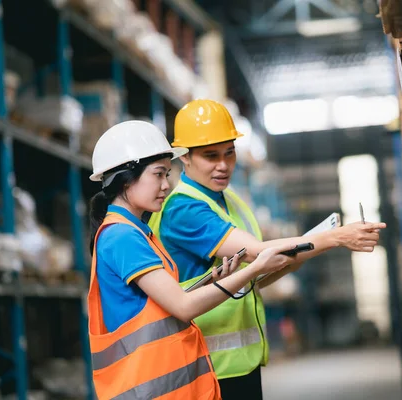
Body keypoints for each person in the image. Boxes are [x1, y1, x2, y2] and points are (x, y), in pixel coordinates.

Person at [149, 99, 387, 399]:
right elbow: (256, 252)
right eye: (211, 156)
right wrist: (336, 238)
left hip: (239, 364)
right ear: (185, 158)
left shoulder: (228, 201)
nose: (223, 165)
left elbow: (257, 273)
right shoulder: (184, 209)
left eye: (229, 153)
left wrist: (312, 248)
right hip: (206, 365)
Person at [86, 120, 298, 400]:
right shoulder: (122, 237)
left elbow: (163, 300)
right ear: (125, 178)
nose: (166, 186)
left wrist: (215, 278)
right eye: (159, 175)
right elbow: (183, 307)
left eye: (167, 175)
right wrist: (253, 269)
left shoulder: (136, 231)